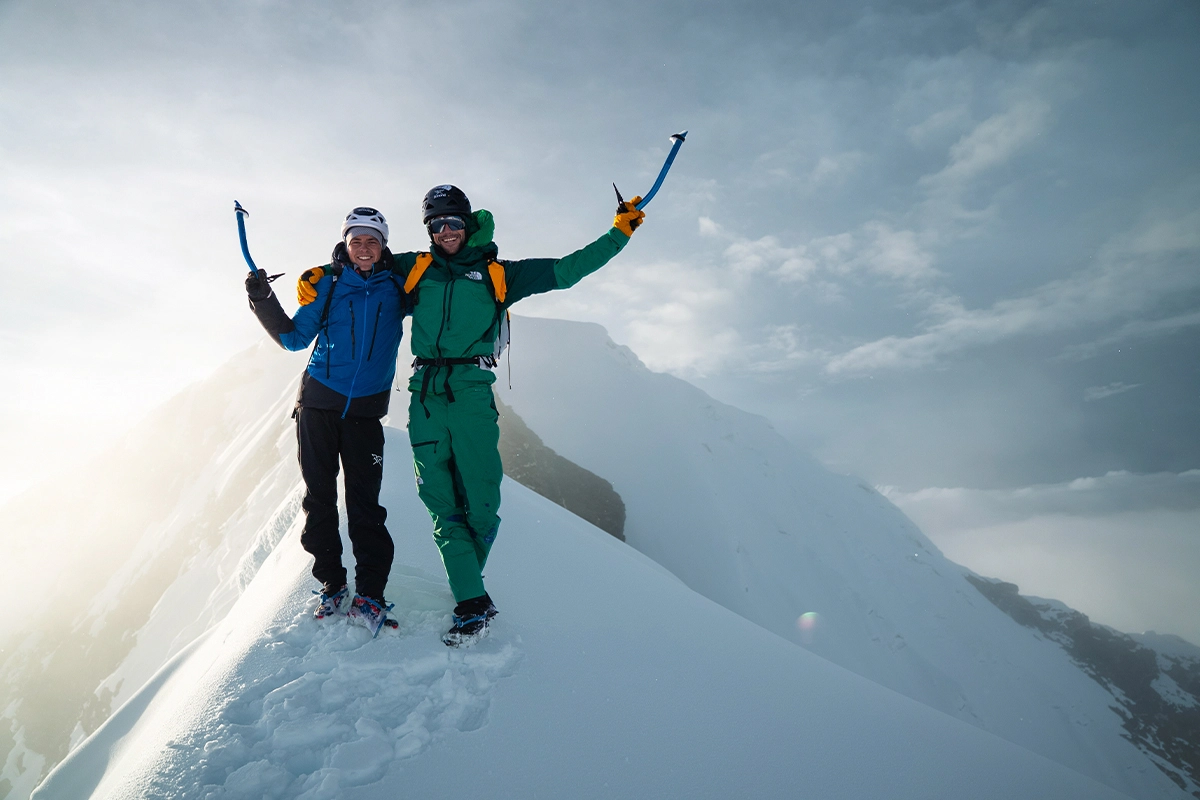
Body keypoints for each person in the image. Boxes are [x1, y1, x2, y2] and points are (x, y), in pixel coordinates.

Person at [391, 184, 644, 646]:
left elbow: (565, 272)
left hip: (470, 392)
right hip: (423, 395)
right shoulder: (414, 267)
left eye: (453, 223)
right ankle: (472, 601)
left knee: (483, 504)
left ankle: (469, 588)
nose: (445, 232)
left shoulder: (497, 274)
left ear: (468, 225)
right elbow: (359, 264)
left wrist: (618, 234)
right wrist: (320, 271)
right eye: (436, 225)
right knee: (440, 504)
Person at [245, 207, 406, 636]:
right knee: (319, 499)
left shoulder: (399, 285)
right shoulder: (329, 286)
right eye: (357, 241)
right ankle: (332, 583)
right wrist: (262, 298)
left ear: (384, 244)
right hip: (317, 405)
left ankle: (370, 591)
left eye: (372, 240)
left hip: (366, 413)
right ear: (346, 244)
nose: (364, 249)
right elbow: (295, 339)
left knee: (365, 505)